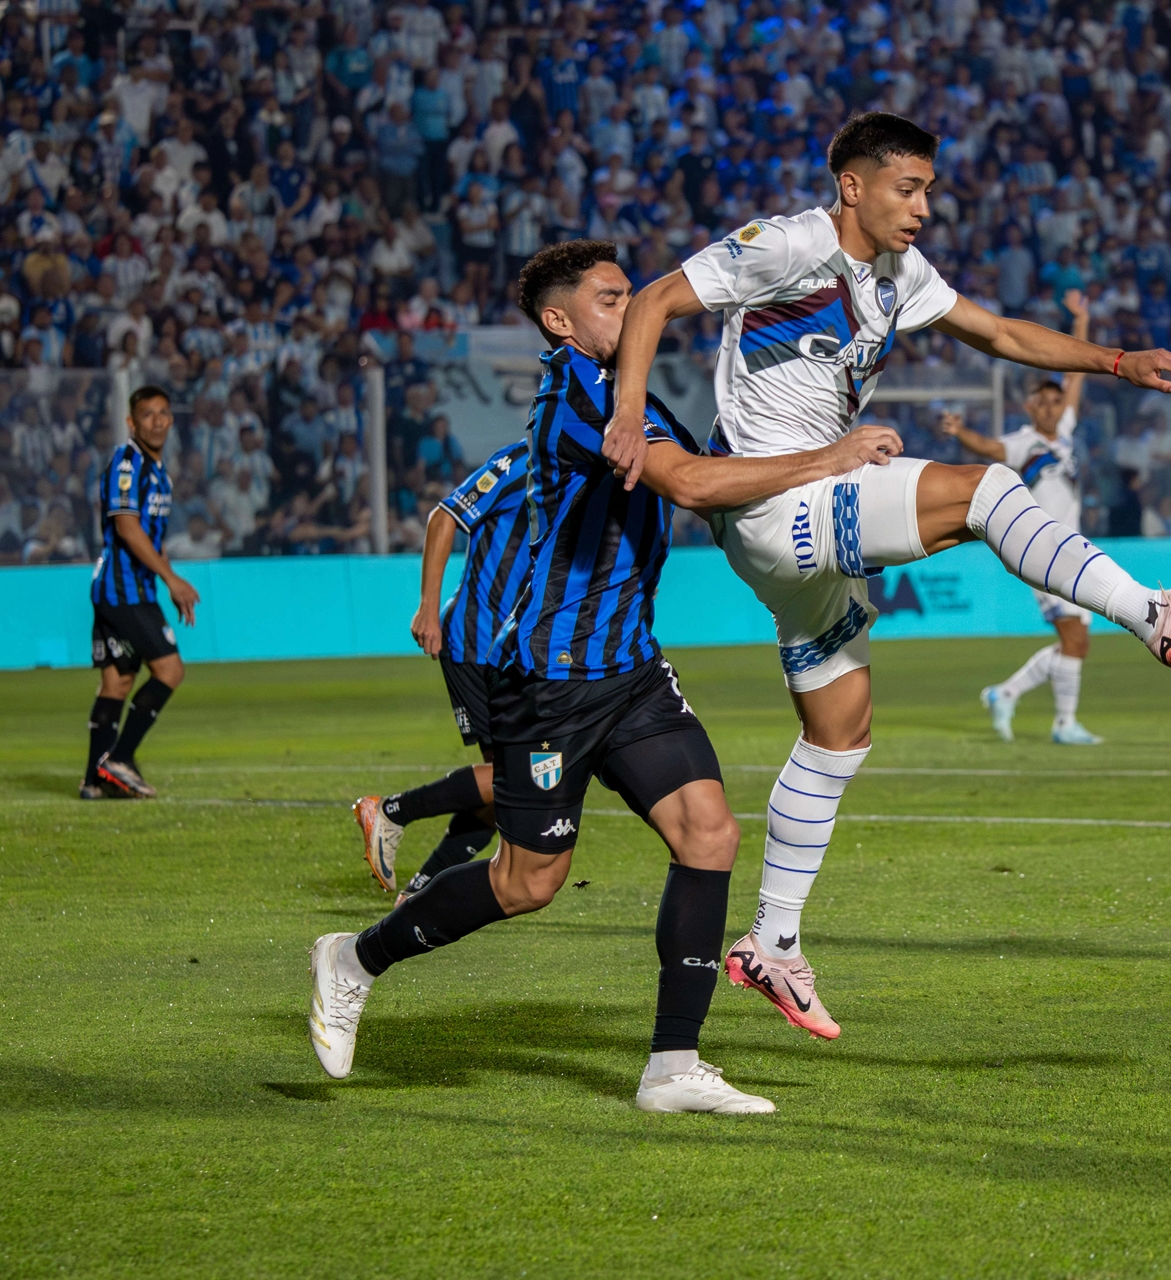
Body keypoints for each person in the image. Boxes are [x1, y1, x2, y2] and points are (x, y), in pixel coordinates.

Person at [606, 113, 1171, 1041]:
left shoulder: (898, 276)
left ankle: (771, 944)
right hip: (772, 503)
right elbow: (653, 299)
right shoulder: (787, 245)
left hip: (797, 538)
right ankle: (1154, 613)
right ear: (852, 187)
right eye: (906, 189)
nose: (921, 208)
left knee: (840, 730)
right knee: (987, 490)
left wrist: (1115, 360)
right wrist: (630, 414)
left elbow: (997, 332)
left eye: (928, 191)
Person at [308, 240, 905, 1114]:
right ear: (559, 320)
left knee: (709, 833)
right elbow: (694, 485)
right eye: (611, 299)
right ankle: (353, 958)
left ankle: (672, 1067)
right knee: (528, 883)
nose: (634, 310)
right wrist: (829, 459)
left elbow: (714, 480)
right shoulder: (575, 402)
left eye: (633, 296)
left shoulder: (631, 394)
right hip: (547, 681)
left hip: (628, 667)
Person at [350, 438, 531, 903]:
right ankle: (391, 811)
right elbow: (444, 516)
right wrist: (427, 608)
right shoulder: (519, 460)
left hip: (516, 651)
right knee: (514, 777)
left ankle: (418, 892)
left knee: (501, 798)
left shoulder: (585, 470)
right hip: (478, 638)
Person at [937, 289, 1102, 745]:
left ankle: (1005, 693)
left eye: (1055, 401)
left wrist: (1081, 323)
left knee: (1078, 643)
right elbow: (988, 450)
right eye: (1043, 401)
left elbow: (1076, 377)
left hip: (1073, 546)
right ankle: (1063, 724)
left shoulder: (1064, 432)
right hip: (1043, 550)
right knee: (1074, 639)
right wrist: (960, 432)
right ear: (1029, 408)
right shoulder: (1022, 442)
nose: (1053, 406)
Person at [84, 385, 200, 801]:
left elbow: (153, 536)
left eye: (163, 412)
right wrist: (171, 579)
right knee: (170, 671)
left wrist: (165, 574)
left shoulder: (159, 473)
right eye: (147, 414)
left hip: (128, 588)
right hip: (124, 591)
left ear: (171, 418)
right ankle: (119, 758)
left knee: (117, 683)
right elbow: (127, 527)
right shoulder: (127, 463)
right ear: (132, 422)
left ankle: (94, 780)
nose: (157, 420)